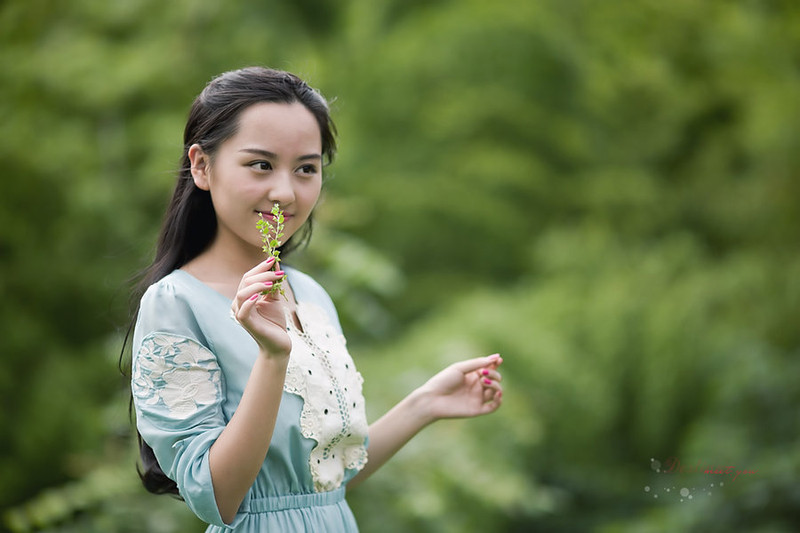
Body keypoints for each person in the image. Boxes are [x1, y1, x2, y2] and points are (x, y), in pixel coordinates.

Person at [126, 66, 504, 532]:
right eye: (261, 164)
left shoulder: (308, 292)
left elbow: (323, 483)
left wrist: (424, 404)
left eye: (306, 168)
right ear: (202, 166)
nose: (284, 192)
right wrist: (272, 356)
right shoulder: (176, 304)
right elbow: (218, 498)